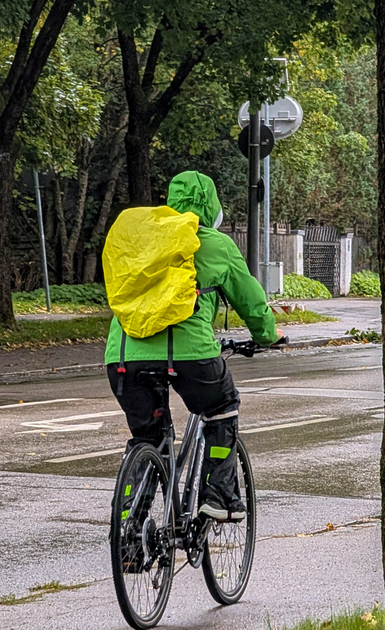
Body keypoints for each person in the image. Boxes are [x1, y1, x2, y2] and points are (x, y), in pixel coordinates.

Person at [105, 171, 281, 521]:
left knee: (148, 438)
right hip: (190, 356)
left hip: (123, 355)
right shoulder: (214, 244)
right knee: (222, 407)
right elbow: (251, 301)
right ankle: (219, 496)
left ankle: (129, 531)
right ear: (212, 206)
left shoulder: (143, 240)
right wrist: (267, 336)